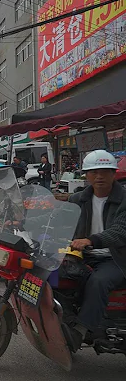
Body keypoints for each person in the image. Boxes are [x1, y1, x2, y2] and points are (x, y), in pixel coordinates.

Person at [66, 150, 126, 351]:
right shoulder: (77, 199)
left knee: (99, 281)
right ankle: (63, 319)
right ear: (86, 175)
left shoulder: (124, 199)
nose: (99, 176)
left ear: (114, 173)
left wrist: (90, 240)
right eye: (94, 172)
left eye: (105, 171)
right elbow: (60, 220)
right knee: (53, 275)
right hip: (83, 256)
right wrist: (26, 223)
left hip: (116, 258)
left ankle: (81, 330)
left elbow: (120, 231)